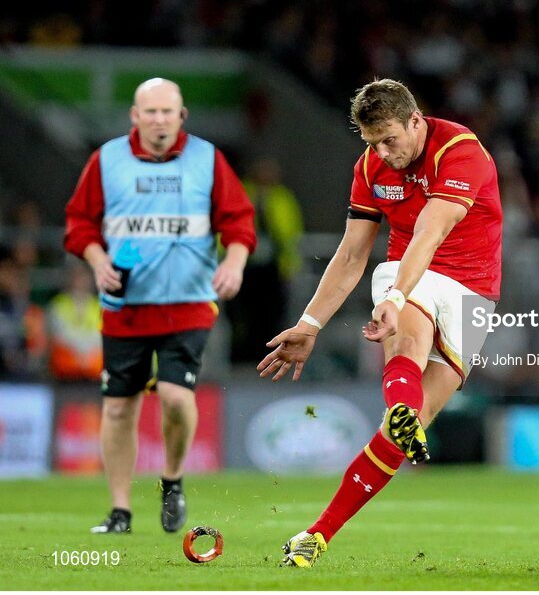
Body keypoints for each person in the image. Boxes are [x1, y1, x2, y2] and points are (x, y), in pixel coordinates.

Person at [257, 78, 501, 568]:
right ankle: (317, 536)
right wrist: (310, 324)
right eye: (372, 143)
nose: (384, 153)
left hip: (473, 290)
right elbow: (351, 255)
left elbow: (431, 232)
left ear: (415, 120)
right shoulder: (369, 167)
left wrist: (393, 294)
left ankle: (405, 414)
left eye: (390, 138)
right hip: (408, 274)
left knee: (406, 426)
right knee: (408, 339)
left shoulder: (459, 151)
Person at [64, 78, 256, 535]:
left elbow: (240, 220)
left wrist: (235, 260)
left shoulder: (207, 159)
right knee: (117, 409)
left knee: (174, 396)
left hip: (188, 303)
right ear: (134, 116)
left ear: (182, 115)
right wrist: (96, 259)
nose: (159, 120)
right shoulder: (106, 160)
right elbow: (78, 224)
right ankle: (120, 512)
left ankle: (172, 481)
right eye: (150, 112)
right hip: (124, 307)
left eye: (167, 112)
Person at [226, 158, 304, 363]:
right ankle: (242, 358)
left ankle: (271, 355)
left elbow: (291, 230)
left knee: (272, 313)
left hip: (274, 267)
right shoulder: (241, 192)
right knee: (241, 314)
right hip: (245, 265)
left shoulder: (282, 197)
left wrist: (288, 263)